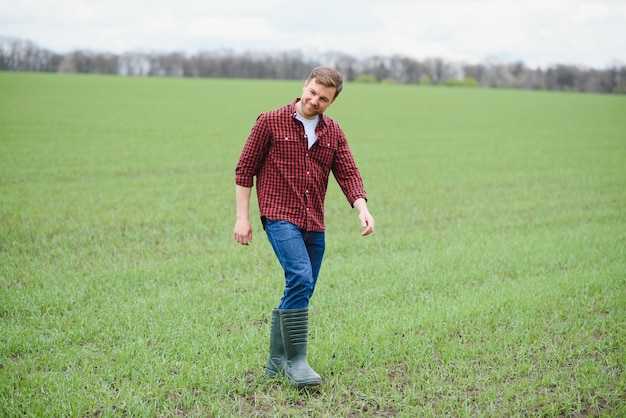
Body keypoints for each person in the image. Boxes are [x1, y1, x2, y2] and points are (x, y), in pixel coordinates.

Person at [234, 66, 375, 388]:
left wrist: (362, 209)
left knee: (303, 288)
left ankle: (275, 361)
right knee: (300, 276)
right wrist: (242, 218)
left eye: (324, 99)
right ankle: (297, 362)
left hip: (314, 221)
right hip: (279, 215)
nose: (315, 101)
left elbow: (349, 174)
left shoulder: (333, 132)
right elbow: (245, 171)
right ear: (304, 87)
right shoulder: (269, 121)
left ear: (332, 101)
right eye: (312, 93)